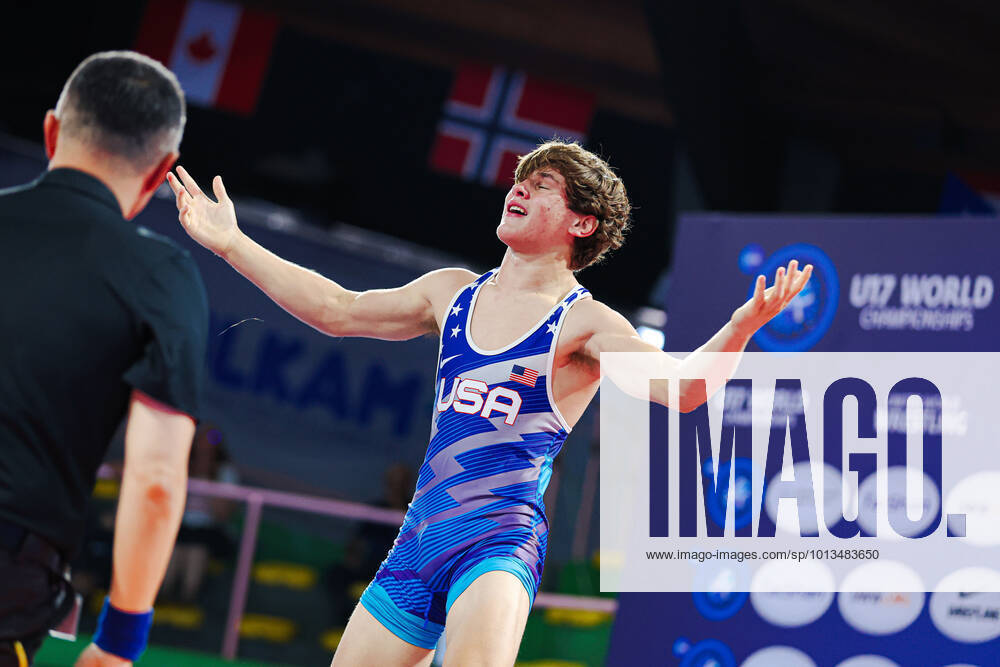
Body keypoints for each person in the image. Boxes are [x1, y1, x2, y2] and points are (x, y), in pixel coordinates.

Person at [166, 141, 810, 666]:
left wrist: (739, 329)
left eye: (544, 184)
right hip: (417, 542)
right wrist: (231, 243)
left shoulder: (583, 323)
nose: (520, 187)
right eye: (520, 179)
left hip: (497, 546)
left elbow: (683, 389)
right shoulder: (451, 293)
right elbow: (336, 309)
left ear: (581, 223)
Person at [0, 51, 209, 666]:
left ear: (51, 132)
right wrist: (121, 638)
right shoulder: (160, 277)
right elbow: (154, 479)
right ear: (160, 173)